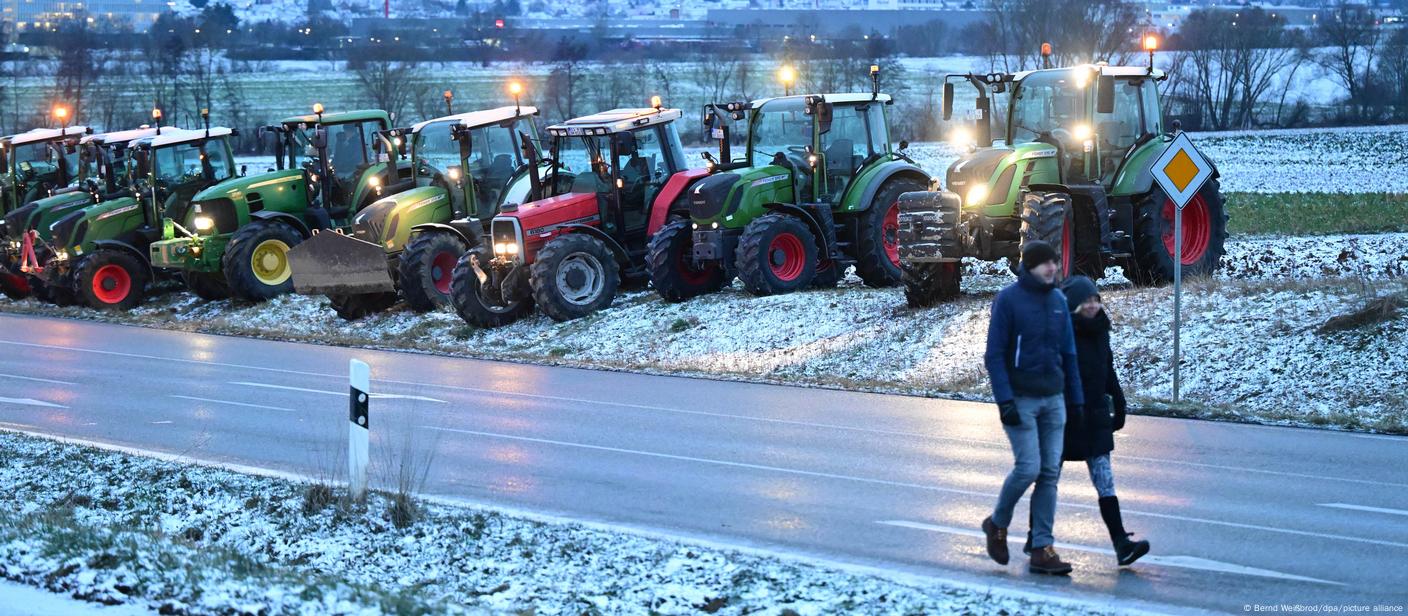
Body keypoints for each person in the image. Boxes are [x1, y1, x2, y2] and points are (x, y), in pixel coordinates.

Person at [981, 240, 1082, 576]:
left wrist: (1076, 400)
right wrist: (1004, 400)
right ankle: (997, 524)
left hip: (1054, 399)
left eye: (1054, 262)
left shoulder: (1058, 300)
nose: (1052, 268)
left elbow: (1069, 354)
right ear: (1029, 266)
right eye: (1045, 264)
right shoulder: (1008, 300)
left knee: (1050, 473)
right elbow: (994, 355)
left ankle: (1042, 547)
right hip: (1020, 400)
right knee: (1029, 468)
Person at [1058, 275, 1151, 567]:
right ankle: (1037, 538)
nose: (1092, 305)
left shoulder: (1100, 329)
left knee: (1105, 483)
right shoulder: (1062, 332)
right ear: (1074, 304)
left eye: (1096, 299)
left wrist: (1119, 403)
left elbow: (1107, 368)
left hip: (1096, 416)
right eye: (1087, 300)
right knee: (1048, 480)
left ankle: (1121, 543)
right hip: (1065, 416)